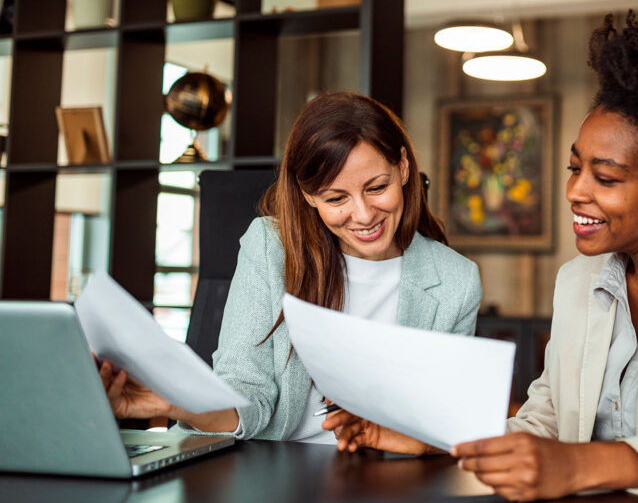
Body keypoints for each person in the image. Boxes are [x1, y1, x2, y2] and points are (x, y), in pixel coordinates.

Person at [324, 13, 638, 500]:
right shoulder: (577, 279)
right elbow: (548, 419)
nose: (575, 192)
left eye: (605, 178)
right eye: (574, 168)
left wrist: (583, 466)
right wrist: (435, 439)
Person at [96, 92, 482, 443]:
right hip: (273, 470)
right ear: (308, 195)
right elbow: (246, 392)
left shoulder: (455, 281)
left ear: (402, 167)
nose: (363, 215)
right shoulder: (270, 247)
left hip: (386, 477)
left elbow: (444, 424)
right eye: (336, 198)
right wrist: (174, 402)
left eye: (377, 187)